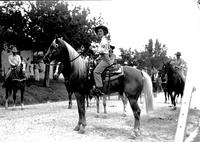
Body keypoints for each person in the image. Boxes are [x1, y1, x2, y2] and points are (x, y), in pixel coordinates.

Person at [90, 25, 112, 95]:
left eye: (100, 31)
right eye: (98, 31)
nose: (99, 32)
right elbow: (100, 52)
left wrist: (93, 49)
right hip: (103, 58)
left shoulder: (104, 40)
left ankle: (99, 88)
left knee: (96, 72)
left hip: (106, 60)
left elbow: (101, 50)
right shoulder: (102, 40)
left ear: (104, 32)